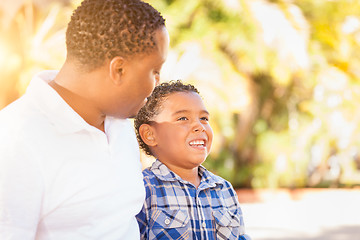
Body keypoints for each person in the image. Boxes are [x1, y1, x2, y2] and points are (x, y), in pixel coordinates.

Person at [0, 0, 169, 239]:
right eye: (155, 70)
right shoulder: (14, 140)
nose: (158, 82)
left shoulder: (119, 125)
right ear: (118, 70)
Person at [134, 81, 251, 240]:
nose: (200, 126)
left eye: (204, 118)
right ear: (150, 134)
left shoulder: (224, 189)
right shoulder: (142, 190)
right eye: (183, 118)